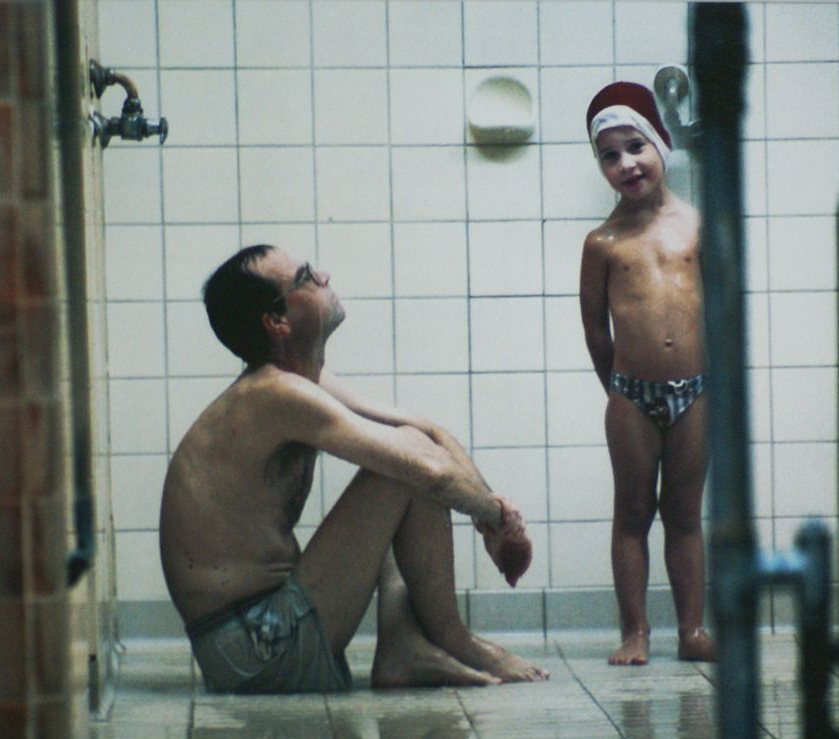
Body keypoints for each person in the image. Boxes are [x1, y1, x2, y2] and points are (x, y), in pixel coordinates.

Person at [160, 244, 549, 693]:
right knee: (402, 470)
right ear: (277, 321)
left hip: (259, 637)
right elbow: (429, 468)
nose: (323, 275)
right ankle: (453, 639)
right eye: (305, 276)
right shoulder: (273, 393)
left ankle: (402, 650)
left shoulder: (299, 382)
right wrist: (500, 519)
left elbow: (424, 431)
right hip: (253, 650)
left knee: (403, 459)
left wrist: (491, 512)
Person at [579, 82, 716, 665]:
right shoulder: (603, 242)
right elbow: (594, 328)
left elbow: (724, 311)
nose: (625, 163)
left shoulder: (697, 226)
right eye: (609, 155)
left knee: (684, 515)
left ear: (660, 144)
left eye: (635, 146)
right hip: (630, 397)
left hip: (699, 391)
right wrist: (618, 388)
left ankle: (692, 632)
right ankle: (635, 633)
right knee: (631, 514)